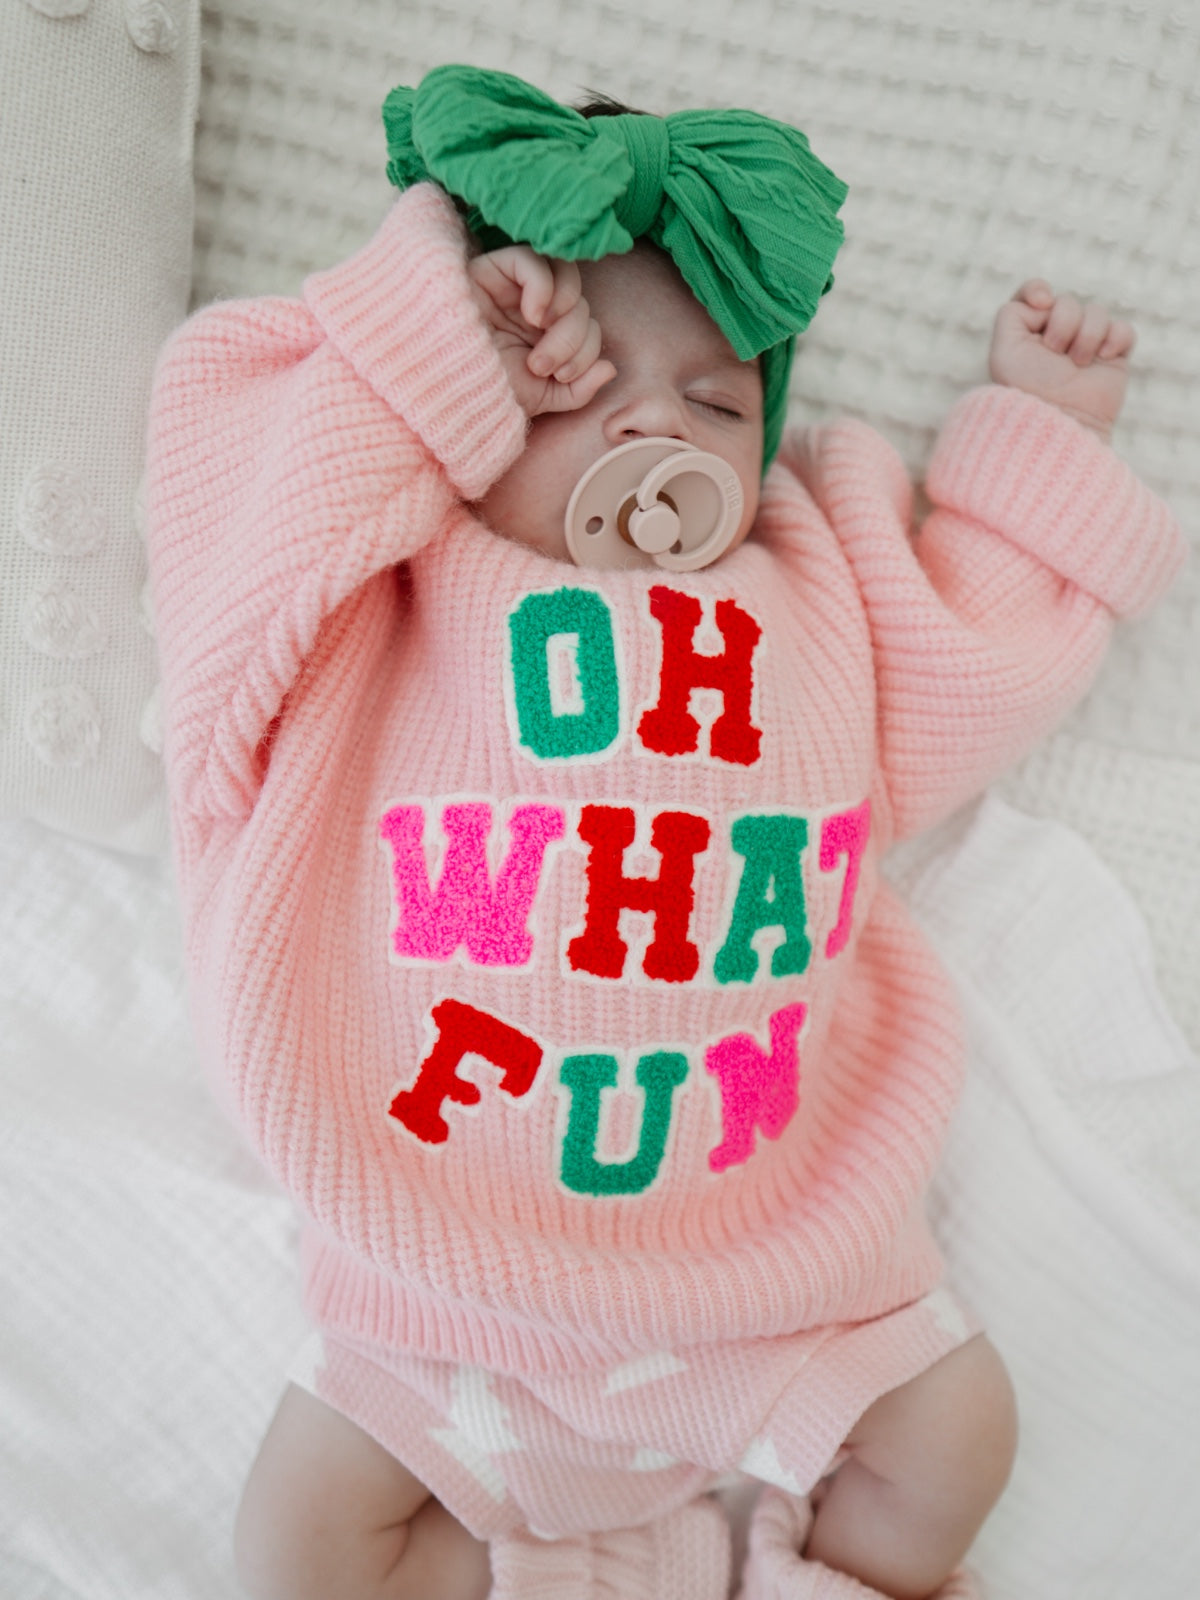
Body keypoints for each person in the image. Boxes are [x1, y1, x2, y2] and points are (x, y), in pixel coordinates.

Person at [143, 65, 1184, 1600]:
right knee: (295, 1551)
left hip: (773, 1284)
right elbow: (237, 482)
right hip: (447, 1292)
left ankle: (810, 1576)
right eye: (585, 388)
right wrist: (441, 327)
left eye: (714, 400)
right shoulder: (386, 599)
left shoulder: (808, 589)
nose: (663, 437)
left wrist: (1035, 452)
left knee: (958, 1434)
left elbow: (968, 660)